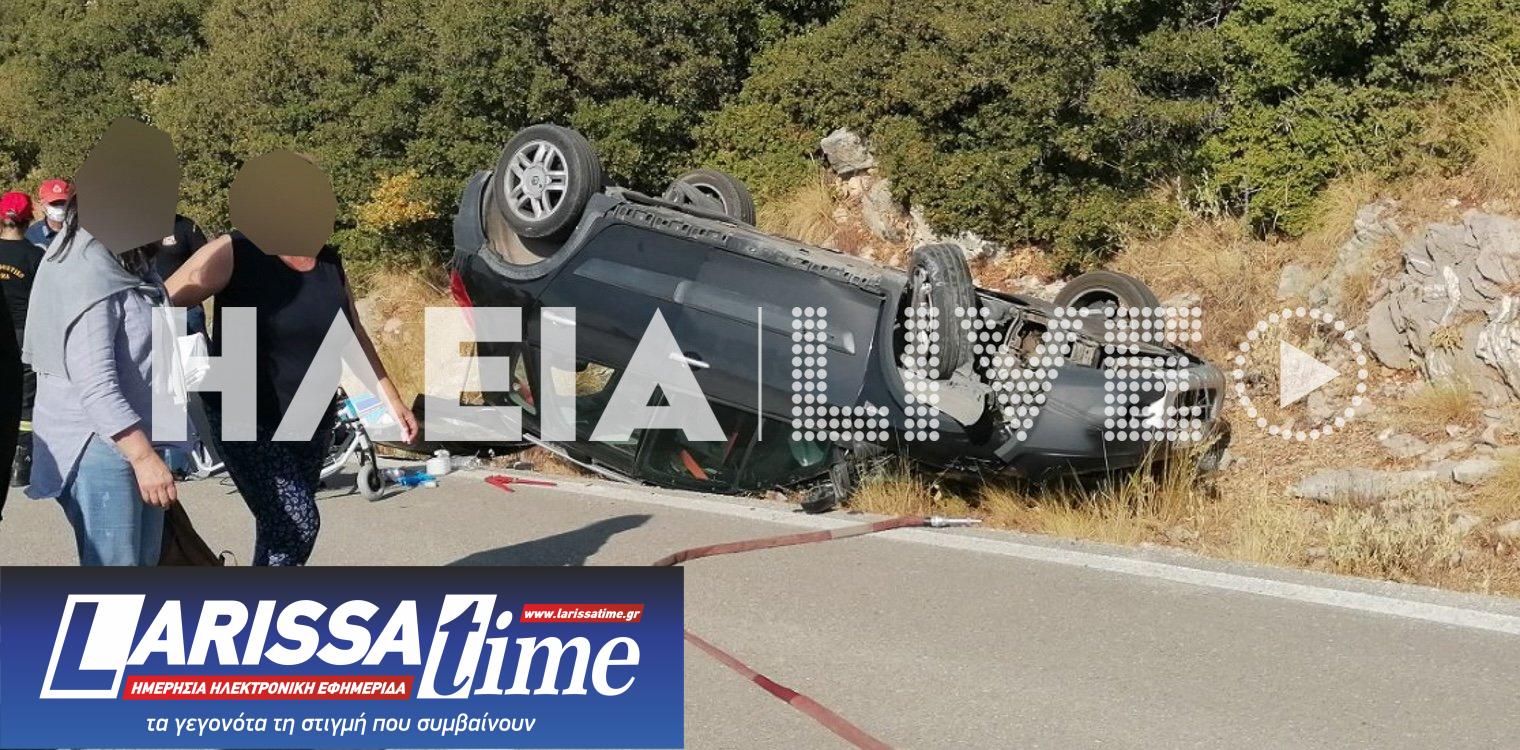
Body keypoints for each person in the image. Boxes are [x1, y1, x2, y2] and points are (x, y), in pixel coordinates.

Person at [167, 231, 418, 566]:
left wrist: (392, 399)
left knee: (279, 527)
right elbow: (158, 298)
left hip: (311, 416)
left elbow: (352, 334)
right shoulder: (235, 251)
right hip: (245, 416)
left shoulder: (330, 261)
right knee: (297, 523)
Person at [23, 198, 179, 565]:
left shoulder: (128, 264)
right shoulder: (90, 272)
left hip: (136, 438)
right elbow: (96, 385)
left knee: (142, 568)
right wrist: (144, 458)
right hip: (103, 445)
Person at [0, 193, 43, 486]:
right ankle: (21, 461)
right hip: (24, 333)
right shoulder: (35, 256)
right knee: (24, 399)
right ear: (29, 220)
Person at [152, 214, 208, 334]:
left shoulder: (186, 225)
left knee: (192, 345)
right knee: (164, 346)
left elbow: (205, 262)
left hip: (187, 308)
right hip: (156, 308)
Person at [24, 179, 71, 250]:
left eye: (62, 202)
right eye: (53, 203)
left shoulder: (80, 231)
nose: (59, 207)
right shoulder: (32, 235)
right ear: (42, 204)